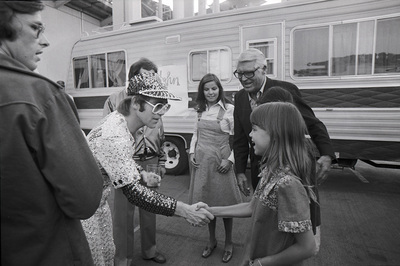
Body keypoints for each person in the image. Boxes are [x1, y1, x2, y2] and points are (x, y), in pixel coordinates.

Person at [0, 1, 103, 265]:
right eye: (36, 28)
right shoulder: (39, 96)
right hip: (48, 252)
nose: (44, 41)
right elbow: (85, 199)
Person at [82, 72, 214, 265]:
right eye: (158, 106)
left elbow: (121, 159)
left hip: (96, 205)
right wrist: (185, 210)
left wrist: (141, 173)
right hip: (86, 211)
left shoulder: (120, 123)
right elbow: (134, 193)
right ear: (136, 103)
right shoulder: (115, 134)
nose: (162, 112)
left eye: (165, 106)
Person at [206, 102, 319, 266]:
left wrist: (262, 263)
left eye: (255, 129)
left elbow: (308, 247)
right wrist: (210, 210)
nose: (250, 135)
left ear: (276, 134)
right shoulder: (271, 171)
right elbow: (252, 207)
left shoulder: (287, 184)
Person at [233, 48, 335, 195]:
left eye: (249, 73)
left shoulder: (284, 90)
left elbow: (312, 123)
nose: (243, 79)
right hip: (259, 171)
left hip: (289, 170)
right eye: (239, 73)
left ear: (264, 69)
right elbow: (240, 138)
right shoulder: (240, 97)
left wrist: (326, 154)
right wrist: (241, 171)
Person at [103, 58, 167, 265]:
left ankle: (149, 251)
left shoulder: (154, 98)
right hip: (125, 161)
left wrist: (162, 161)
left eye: (153, 77)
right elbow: (107, 134)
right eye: (146, 76)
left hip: (151, 160)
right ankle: (123, 259)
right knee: (123, 215)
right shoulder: (114, 100)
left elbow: (160, 130)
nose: (151, 81)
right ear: (133, 78)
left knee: (150, 209)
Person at [188, 73, 242, 263]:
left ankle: (229, 242)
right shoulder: (200, 110)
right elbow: (196, 133)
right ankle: (212, 241)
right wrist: (192, 152)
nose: (211, 92)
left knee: (225, 203)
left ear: (220, 89)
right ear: (202, 91)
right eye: (207, 89)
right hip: (203, 161)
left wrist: (231, 160)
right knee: (207, 202)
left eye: (214, 88)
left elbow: (239, 138)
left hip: (221, 160)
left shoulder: (230, 109)